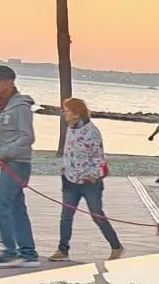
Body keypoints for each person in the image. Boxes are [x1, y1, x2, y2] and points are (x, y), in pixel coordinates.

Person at [49, 97, 126, 263]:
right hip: (70, 180)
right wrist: (65, 168)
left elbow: (99, 157)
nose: (64, 114)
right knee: (66, 216)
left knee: (97, 215)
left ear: (76, 113)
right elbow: (69, 151)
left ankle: (116, 246)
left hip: (89, 183)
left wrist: (93, 175)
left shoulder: (92, 131)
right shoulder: (70, 127)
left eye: (67, 111)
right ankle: (63, 250)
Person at [0, 64, 39, 268]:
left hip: (18, 164)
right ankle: (29, 254)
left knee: (1, 206)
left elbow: (27, 137)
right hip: (8, 162)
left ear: (9, 82)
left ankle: (11, 252)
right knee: (17, 208)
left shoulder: (21, 106)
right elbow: (1, 135)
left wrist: (3, 153)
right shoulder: (3, 105)